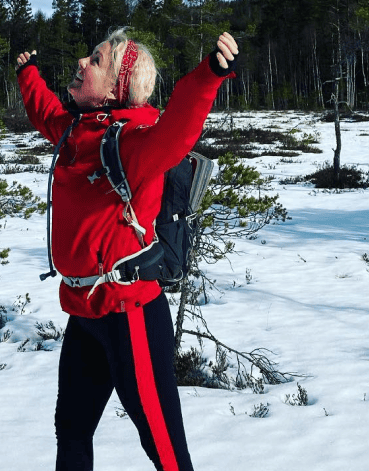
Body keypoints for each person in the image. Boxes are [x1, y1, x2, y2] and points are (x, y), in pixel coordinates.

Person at [15, 28, 239, 471]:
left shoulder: (134, 144)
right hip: (84, 313)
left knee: (164, 448)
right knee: (72, 430)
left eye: (95, 60)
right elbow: (44, 111)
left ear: (118, 86)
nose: (82, 62)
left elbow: (178, 129)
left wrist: (209, 75)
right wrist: (27, 74)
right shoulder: (75, 132)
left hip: (130, 314)